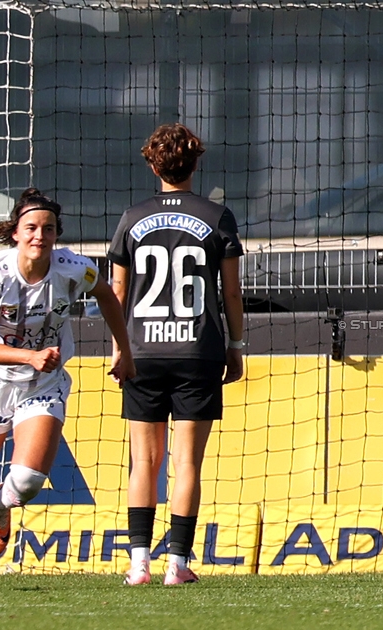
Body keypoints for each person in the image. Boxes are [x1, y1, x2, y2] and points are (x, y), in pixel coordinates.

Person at [0, 188, 136, 591]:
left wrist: (123, 349)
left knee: (28, 480)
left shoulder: (74, 269)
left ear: (55, 235)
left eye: (48, 229)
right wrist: (28, 356)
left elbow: (107, 295)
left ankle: (3, 504)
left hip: (43, 384)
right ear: (16, 232)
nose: (39, 236)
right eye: (31, 227)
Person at [108, 123, 245, 586]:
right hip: (197, 349)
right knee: (187, 462)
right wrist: (236, 346)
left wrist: (118, 349)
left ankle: (138, 563)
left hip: (142, 351)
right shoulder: (217, 216)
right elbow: (231, 294)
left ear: (152, 163)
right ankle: (178, 564)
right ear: (196, 162)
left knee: (144, 462)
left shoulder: (132, 217)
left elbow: (118, 291)